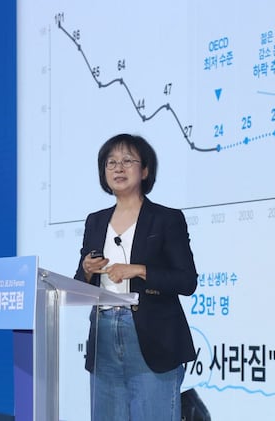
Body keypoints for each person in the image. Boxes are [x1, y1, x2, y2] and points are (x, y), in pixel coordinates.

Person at [74, 133, 198, 420]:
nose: (118, 168)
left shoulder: (166, 219)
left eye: (127, 161)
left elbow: (186, 281)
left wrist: (139, 270)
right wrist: (87, 271)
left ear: (144, 171)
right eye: (111, 162)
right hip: (103, 333)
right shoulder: (95, 221)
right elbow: (80, 285)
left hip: (152, 336)